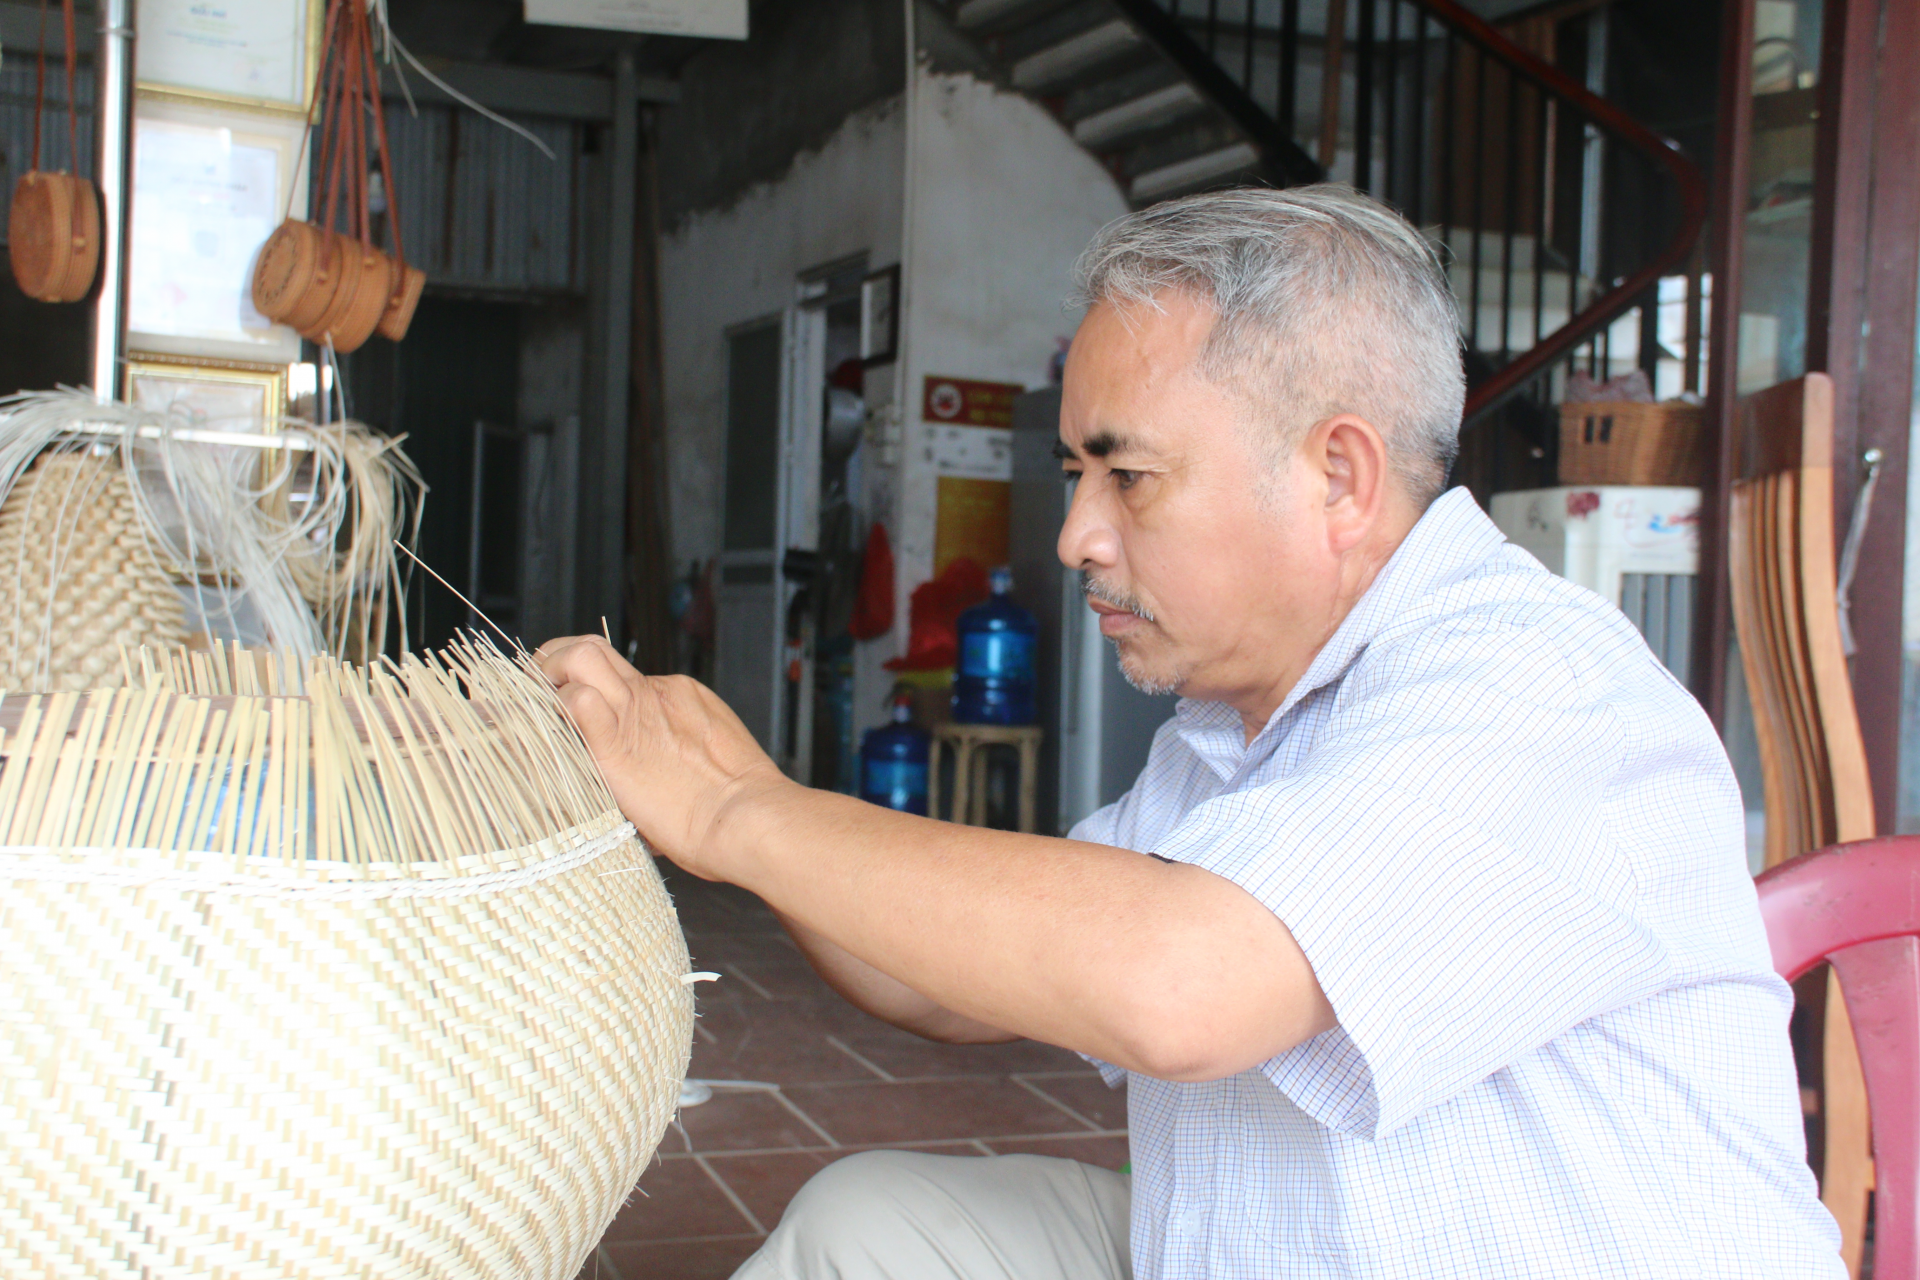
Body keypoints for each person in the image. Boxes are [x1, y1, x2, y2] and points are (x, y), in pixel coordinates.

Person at [539, 185, 1842, 1279]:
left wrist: (732, 815)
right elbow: (942, 980)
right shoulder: (1233, 730)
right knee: (871, 1235)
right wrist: (742, 787)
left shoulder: (1534, 695)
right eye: (1074, 477)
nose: (1075, 538)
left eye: (1130, 478)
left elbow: (1178, 987)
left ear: (1338, 476)